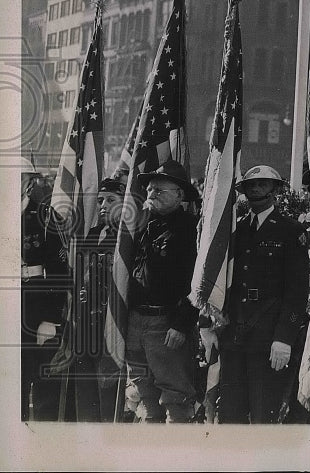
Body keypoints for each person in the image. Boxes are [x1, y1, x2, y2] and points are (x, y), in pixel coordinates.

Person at [200, 165, 309, 424]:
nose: (256, 189)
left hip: (268, 338)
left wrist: (284, 338)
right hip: (235, 334)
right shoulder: (234, 231)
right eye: (251, 185)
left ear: (275, 191)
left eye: (263, 184)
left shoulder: (290, 231)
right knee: (231, 414)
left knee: (263, 414)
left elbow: (297, 291)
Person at [127, 159, 200, 422]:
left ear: (180, 195)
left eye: (160, 190)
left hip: (167, 324)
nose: (151, 194)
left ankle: (175, 458)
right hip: (135, 322)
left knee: (175, 399)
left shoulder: (192, 229)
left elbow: (198, 282)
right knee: (144, 397)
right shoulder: (140, 226)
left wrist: (182, 324)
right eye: (149, 190)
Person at [67, 176, 127, 422]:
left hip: (110, 325)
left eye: (111, 200)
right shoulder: (93, 234)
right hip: (85, 325)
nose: (103, 205)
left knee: (108, 395)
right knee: (85, 395)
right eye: (100, 200)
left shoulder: (127, 239)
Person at [21, 159, 68, 421]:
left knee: (41, 382)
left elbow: (61, 270)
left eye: (18, 179)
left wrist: (51, 318)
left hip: (35, 306)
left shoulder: (45, 217)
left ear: (30, 184)